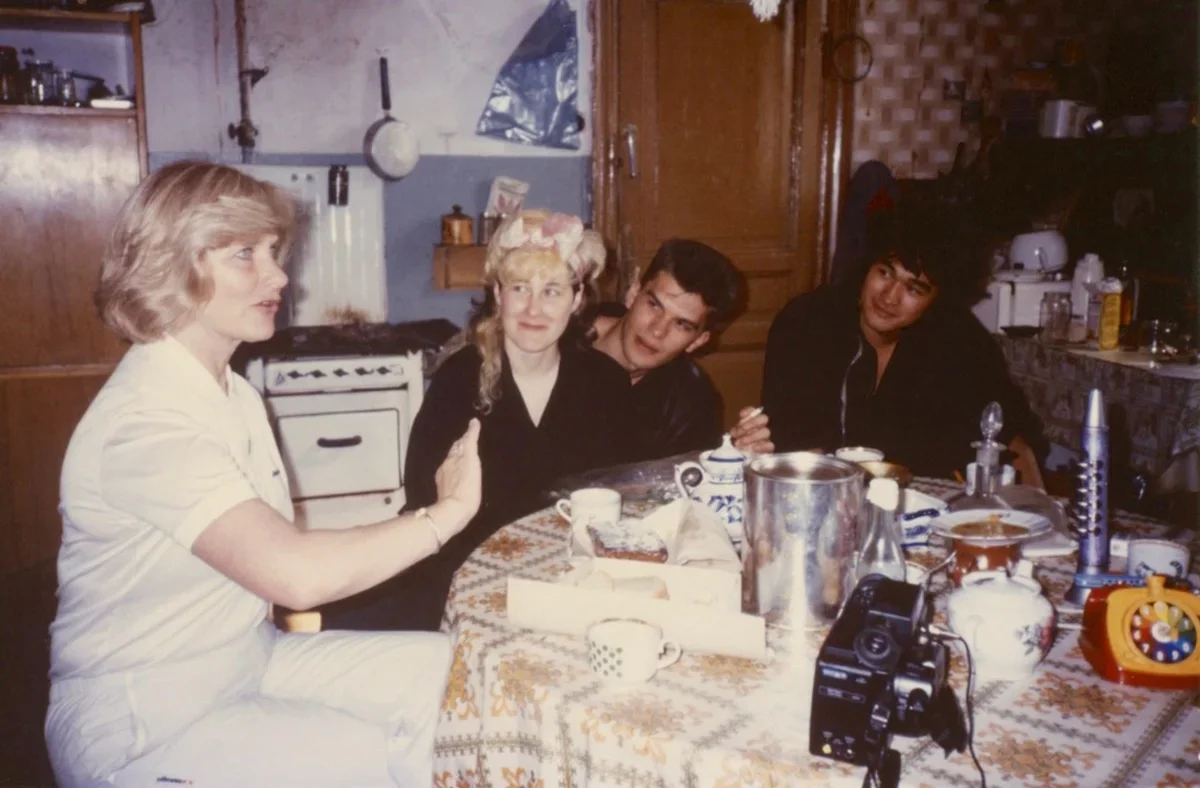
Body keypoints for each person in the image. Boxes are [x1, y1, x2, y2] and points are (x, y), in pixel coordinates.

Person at [45, 161, 482, 788]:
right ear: (173, 265)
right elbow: (296, 574)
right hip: (141, 718)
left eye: (273, 253)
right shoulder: (144, 423)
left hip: (247, 658)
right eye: (245, 255)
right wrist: (445, 514)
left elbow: (284, 554)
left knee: (443, 669)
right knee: (364, 757)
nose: (278, 276)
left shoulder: (235, 393)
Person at [321, 210, 634, 632]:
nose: (534, 308)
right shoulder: (458, 379)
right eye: (519, 288)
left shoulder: (606, 382)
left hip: (571, 577)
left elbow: (620, 497)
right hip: (465, 573)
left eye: (552, 291)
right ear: (498, 294)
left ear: (577, 300)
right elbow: (422, 494)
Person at [762, 201, 1046, 486]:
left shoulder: (960, 340)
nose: (889, 297)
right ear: (866, 266)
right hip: (818, 489)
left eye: (914, 289)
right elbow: (794, 442)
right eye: (885, 273)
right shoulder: (807, 323)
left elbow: (1014, 436)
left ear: (939, 301)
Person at [590, 238, 773, 458]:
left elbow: (686, 476)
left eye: (681, 324)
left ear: (698, 341)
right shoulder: (562, 336)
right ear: (633, 292)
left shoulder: (691, 402)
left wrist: (731, 459)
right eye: (654, 305)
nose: (657, 330)